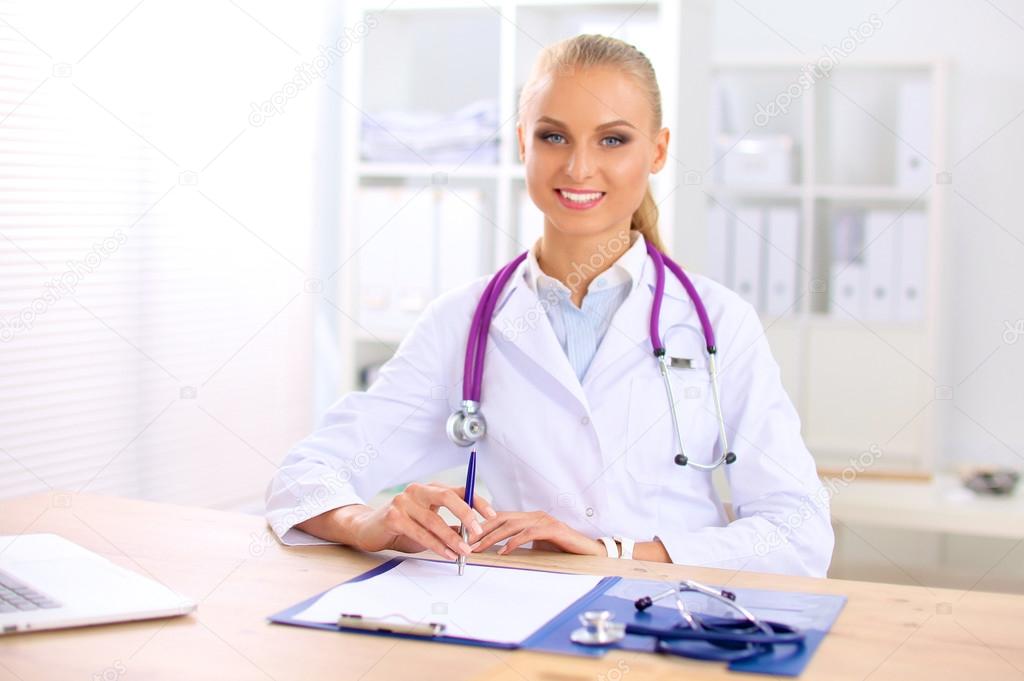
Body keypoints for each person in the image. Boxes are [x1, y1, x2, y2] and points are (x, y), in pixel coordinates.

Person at [265, 34, 833, 577]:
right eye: (553, 137)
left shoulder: (719, 321)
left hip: (678, 618)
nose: (579, 168)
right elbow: (304, 475)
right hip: (522, 615)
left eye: (613, 139)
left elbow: (798, 530)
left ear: (658, 151)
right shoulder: (462, 322)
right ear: (521, 143)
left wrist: (612, 551)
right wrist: (367, 521)